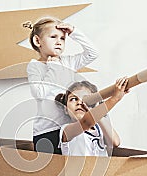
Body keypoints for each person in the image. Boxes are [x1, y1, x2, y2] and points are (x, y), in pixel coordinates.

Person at [24, 17, 98, 154]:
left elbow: (93, 53)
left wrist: (74, 32)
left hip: (68, 128)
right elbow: (39, 93)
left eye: (63, 38)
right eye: (53, 37)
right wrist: (54, 68)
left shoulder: (68, 63)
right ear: (37, 41)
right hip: (46, 130)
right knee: (50, 170)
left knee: (70, 167)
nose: (59, 42)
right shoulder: (35, 66)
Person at [55, 78, 128, 156]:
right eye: (73, 99)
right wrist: (115, 98)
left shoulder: (99, 129)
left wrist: (95, 108)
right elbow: (86, 122)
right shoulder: (66, 130)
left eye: (85, 99)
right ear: (66, 109)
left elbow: (115, 142)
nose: (80, 102)